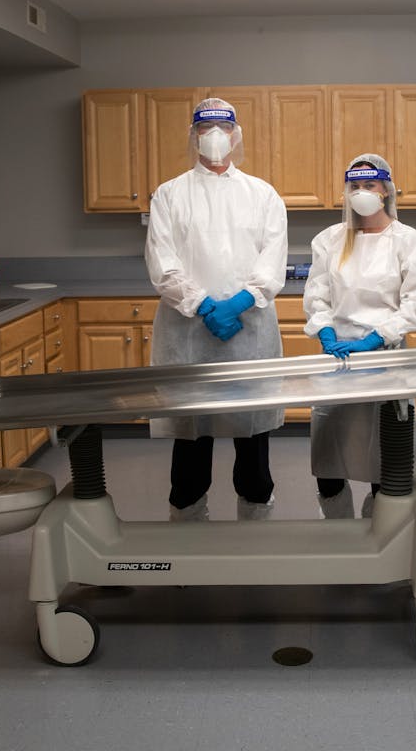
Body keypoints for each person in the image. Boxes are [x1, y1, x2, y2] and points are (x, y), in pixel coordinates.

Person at [145, 97, 289, 521]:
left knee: (253, 451)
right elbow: (162, 262)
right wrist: (205, 305)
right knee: (190, 447)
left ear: (235, 135)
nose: (213, 137)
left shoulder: (262, 194)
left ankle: (254, 540)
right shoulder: (170, 195)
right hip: (188, 335)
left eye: (222, 128)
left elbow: (272, 256)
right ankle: (189, 544)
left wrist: (241, 301)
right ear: (193, 136)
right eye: (205, 128)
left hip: (250, 333)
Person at [303, 153, 416, 518]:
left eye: (370, 185)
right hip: (337, 360)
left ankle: (380, 534)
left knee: (385, 460)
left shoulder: (409, 242)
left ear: (386, 191)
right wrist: (326, 331)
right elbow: (317, 294)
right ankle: (340, 536)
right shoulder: (330, 240)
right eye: (355, 186)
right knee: (329, 458)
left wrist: (376, 339)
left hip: (385, 359)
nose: (361, 193)